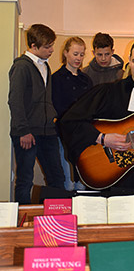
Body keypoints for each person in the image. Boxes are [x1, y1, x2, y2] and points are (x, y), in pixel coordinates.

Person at [59, 39, 134, 191]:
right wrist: (102, 138)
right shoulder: (108, 92)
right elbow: (69, 121)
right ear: (129, 61)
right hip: (114, 178)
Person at [8, 24, 64, 204]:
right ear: (33, 46)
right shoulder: (21, 67)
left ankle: (56, 217)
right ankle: (22, 218)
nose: (52, 50)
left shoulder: (46, 66)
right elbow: (15, 101)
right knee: (25, 180)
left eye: (51, 45)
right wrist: (23, 131)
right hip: (27, 132)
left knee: (57, 178)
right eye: (47, 46)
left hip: (48, 132)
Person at [52, 37, 93, 190]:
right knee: (68, 180)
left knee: (83, 180)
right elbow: (57, 108)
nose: (78, 58)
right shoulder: (56, 79)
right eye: (75, 54)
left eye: (81, 55)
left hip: (83, 135)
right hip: (64, 134)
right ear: (66, 53)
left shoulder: (86, 80)